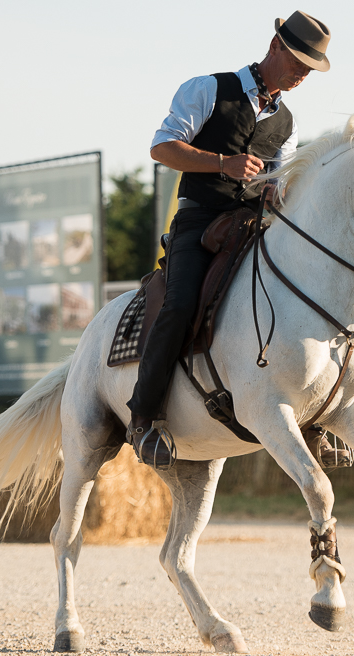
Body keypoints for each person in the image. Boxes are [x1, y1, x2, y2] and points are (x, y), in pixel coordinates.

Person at [126, 11, 332, 469]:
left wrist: (279, 189)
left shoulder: (289, 121)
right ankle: (142, 419)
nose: (301, 75)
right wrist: (224, 163)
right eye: (298, 61)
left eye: (309, 69)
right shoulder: (206, 88)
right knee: (180, 304)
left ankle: (317, 416)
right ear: (275, 45)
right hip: (198, 223)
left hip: (254, 227)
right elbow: (162, 147)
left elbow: (280, 175)